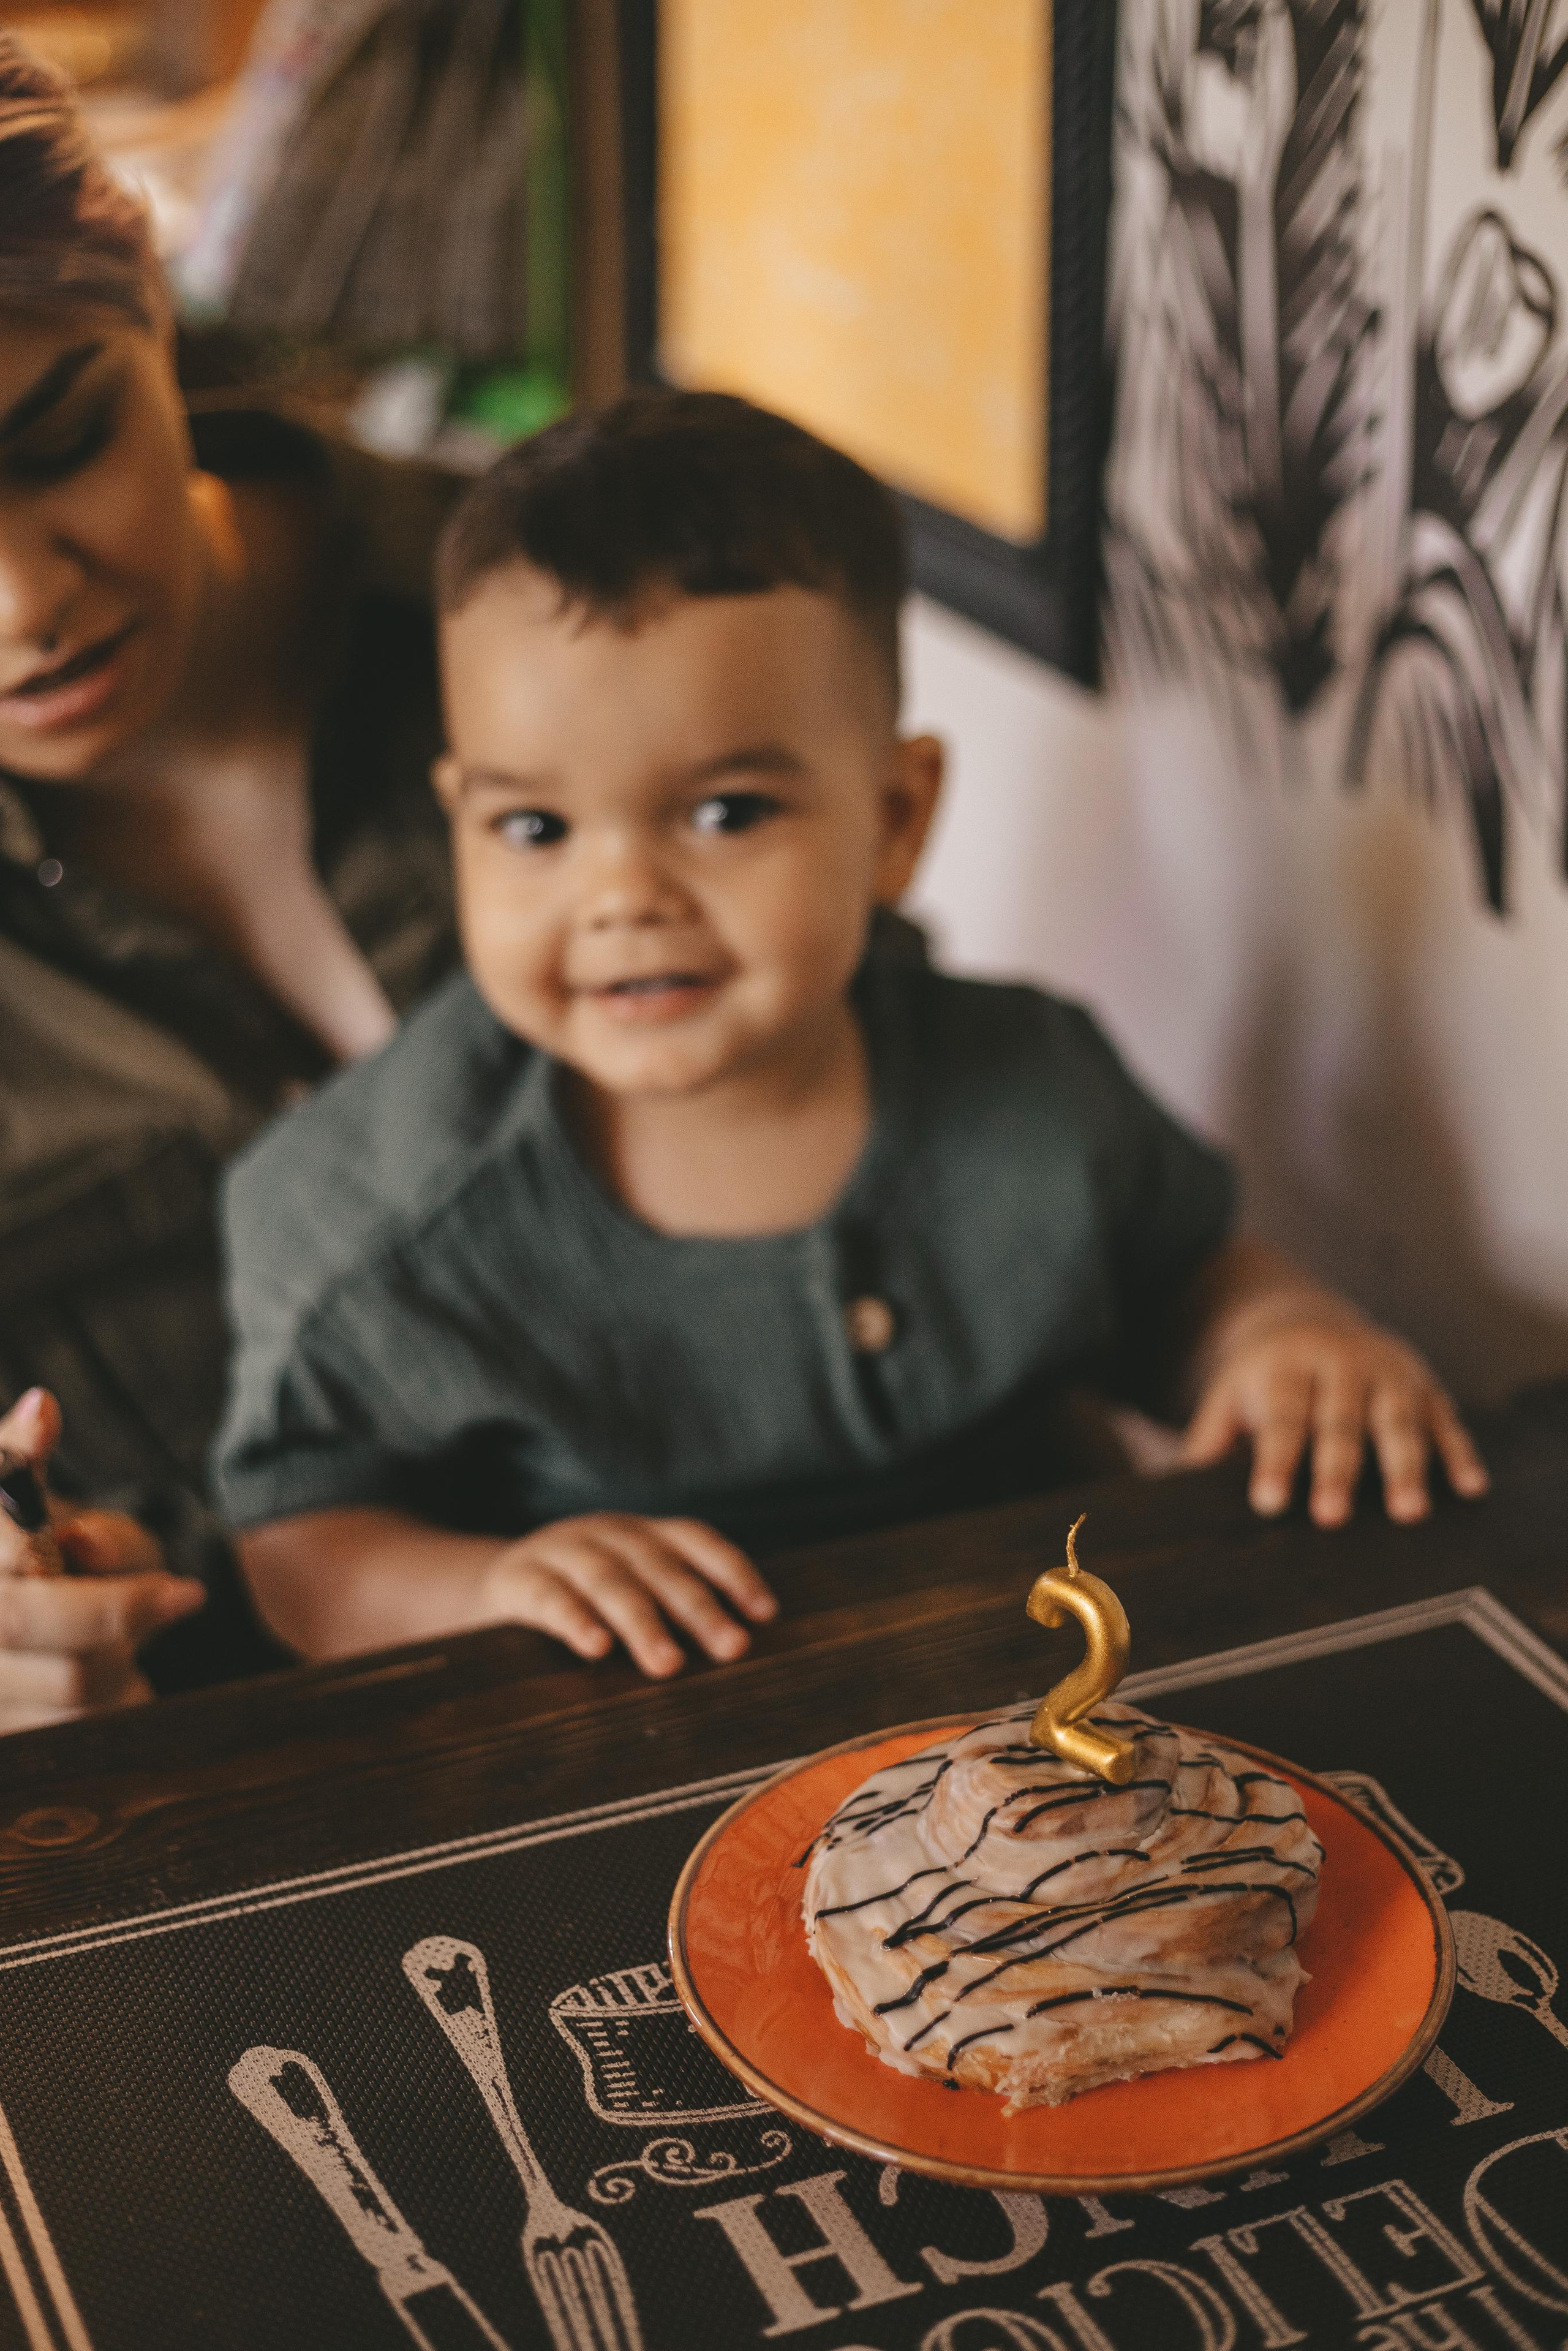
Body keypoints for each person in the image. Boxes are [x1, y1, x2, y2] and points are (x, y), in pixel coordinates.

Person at [215, 391, 1489, 1681]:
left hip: (1034, 1696)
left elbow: (1182, 1280)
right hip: (644, 1733)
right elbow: (297, 1541)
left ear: (893, 818)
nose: (621, 897)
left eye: (724, 813)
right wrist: (484, 1585)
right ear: (460, 822)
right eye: (535, 829)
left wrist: (1280, 1339)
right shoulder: (368, 1220)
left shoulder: (1036, 1085)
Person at [0, 35, 457, 1727]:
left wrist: (1195, 1305)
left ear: (150, 292)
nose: (23, 601)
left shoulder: (545, 605)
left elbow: (896, 1085)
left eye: (63, 436)